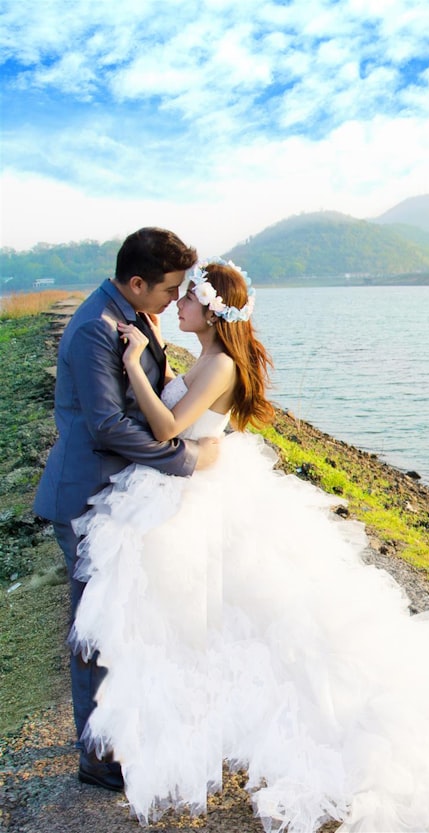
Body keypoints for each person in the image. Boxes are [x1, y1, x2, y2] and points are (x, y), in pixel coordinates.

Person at [69, 259, 429, 832]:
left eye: (186, 299)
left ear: (209, 310)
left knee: (238, 621)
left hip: (195, 495)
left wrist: (132, 364)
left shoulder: (221, 364)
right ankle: (185, 720)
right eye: (174, 296)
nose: (176, 305)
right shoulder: (206, 356)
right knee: (206, 619)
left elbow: (165, 429)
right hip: (187, 489)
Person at [33, 227, 220, 792]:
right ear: (137, 283)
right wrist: (186, 457)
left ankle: (119, 731)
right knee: (94, 630)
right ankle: (97, 756)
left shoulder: (137, 314)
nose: (173, 298)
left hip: (119, 494)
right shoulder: (96, 328)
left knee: (121, 619)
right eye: (169, 289)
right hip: (85, 493)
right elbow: (107, 425)